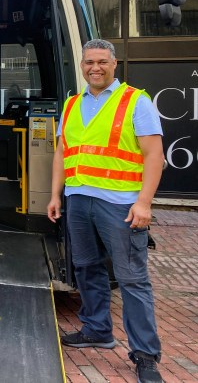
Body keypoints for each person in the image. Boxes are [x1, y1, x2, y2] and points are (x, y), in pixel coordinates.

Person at [47, 39, 164, 383]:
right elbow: (61, 154)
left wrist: (144, 202)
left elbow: (154, 155)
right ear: (81, 65)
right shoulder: (70, 104)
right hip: (79, 199)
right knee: (86, 267)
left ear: (114, 64)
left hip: (121, 205)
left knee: (132, 279)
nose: (94, 68)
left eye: (101, 62)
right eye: (89, 62)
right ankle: (97, 329)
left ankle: (145, 354)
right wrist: (56, 195)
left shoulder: (135, 101)